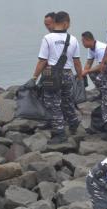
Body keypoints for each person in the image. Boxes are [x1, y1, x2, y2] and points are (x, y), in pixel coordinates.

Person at [30, 11, 82, 144]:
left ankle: (60, 133)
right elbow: (77, 61)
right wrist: (80, 77)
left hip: (50, 73)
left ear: (55, 21)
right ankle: (73, 122)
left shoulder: (48, 38)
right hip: (68, 74)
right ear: (65, 23)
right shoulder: (73, 39)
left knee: (52, 104)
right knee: (67, 101)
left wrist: (34, 77)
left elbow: (42, 61)